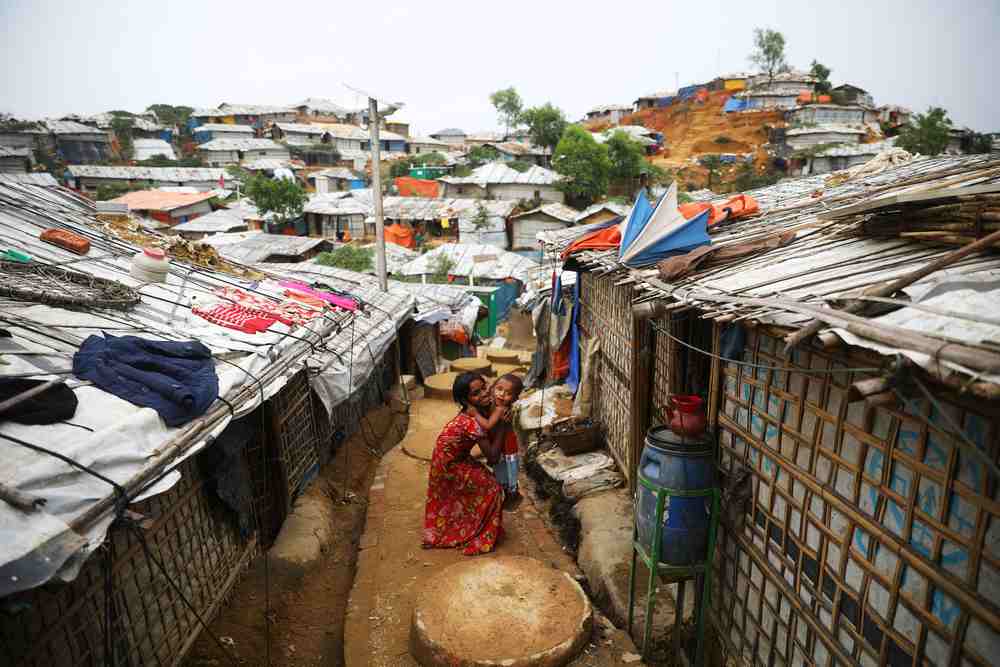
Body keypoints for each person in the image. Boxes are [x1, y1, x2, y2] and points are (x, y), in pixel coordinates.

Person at [421, 372, 505, 555]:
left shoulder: (477, 413)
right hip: (449, 464)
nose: (483, 394)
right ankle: (477, 532)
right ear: (466, 401)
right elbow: (492, 456)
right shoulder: (472, 421)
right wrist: (503, 427)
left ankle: (465, 524)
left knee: (477, 483)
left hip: (454, 457)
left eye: (484, 387)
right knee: (492, 488)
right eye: (476, 393)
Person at [488, 374, 524, 507]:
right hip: (499, 445)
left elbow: (489, 425)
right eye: (499, 389)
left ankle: (512, 495)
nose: (502, 395)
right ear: (493, 388)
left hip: (507, 448)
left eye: (508, 393)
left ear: (514, 398)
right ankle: (510, 493)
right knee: (501, 471)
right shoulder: (491, 404)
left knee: (507, 473)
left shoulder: (503, 410)